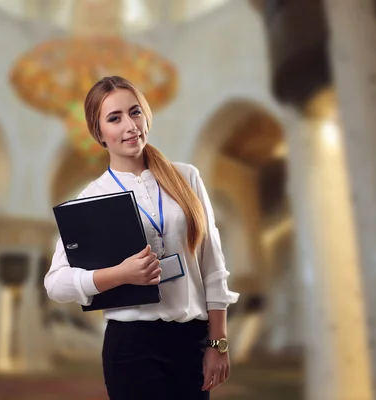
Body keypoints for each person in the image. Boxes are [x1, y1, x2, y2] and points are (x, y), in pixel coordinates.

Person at [44, 76, 239, 400]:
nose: (130, 125)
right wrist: (120, 275)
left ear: (146, 115)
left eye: (135, 112)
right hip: (130, 347)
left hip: (192, 340)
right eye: (114, 118)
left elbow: (213, 265)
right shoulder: (90, 198)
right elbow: (55, 283)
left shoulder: (186, 177)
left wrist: (218, 342)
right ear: (98, 132)